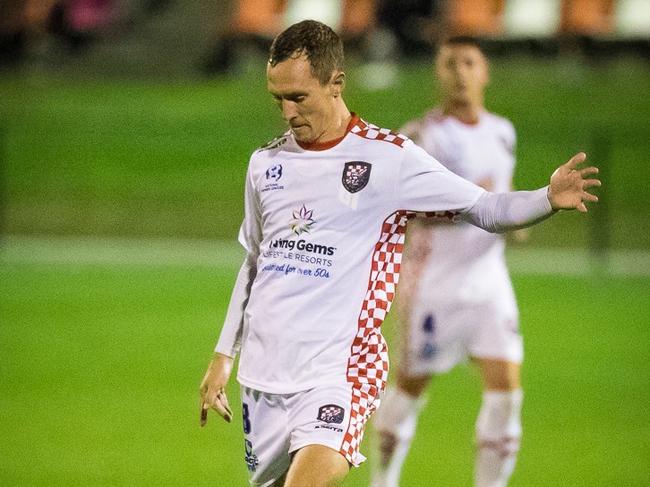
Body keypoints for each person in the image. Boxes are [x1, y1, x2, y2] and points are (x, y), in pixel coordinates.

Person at [198, 20, 599, 487]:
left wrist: (546, 198)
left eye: (298, 97)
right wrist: (223, 356)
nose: (287, 111)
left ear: (335, 84)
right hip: (265, 378)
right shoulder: (266, 164)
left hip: (340, 373)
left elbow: (485, 208)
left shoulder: (389, 159)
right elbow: (254, 263)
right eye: (278, 98)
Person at [369, 36, 533, 487]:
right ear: (438, 73)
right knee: (409, 387)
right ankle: (383, 479)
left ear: (485, 73)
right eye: (450, 63)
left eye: (469, 62)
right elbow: (401, 208)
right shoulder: (423, 136)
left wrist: (516, 220)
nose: (460, 72)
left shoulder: (502, 131)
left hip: (489, 282)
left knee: (507, 395)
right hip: (433, 284)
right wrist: (476, 205)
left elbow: (504, 193)